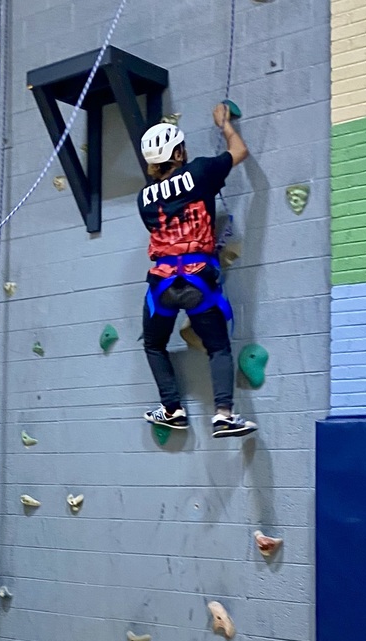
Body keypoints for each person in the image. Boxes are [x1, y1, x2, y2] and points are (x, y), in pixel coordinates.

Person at [137, 103, 257, 438]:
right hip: (197, 280)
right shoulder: (201, 171)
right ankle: (223, 415)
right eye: (182, 148)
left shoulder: (144, 198)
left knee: (154, 344)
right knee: (218, 347)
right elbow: (239, 151)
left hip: (161, 284)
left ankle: (172, 409)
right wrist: (224, 125)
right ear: (177, 154)